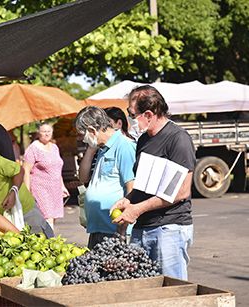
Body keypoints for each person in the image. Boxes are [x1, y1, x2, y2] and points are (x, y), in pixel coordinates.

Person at [111, 85, 196, 280]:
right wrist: (128, 200)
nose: (130, 119)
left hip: (168, 230)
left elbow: (181, 191)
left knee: (172, 293)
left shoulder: (177, 139)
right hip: (143, 227)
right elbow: (143, 184)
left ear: (148, 114)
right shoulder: (144, 140)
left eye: (132, 114)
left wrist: (137, 209)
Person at [75, 106, 136, 249]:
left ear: (92, 131)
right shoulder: (103, 147)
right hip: (99, 228)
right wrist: (91, 149)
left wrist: (123, 226)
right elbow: (83, 178)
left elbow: (131, 188)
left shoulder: (124, 146)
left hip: (115, 230)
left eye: (83, 135)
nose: (84, 140)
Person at [0, 152, 54, 238]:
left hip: (24, 208)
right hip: (1, 217)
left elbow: (19, 170)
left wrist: (13, 191)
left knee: (42, 237)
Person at [23, 123, 69, 231]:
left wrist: (62, 186)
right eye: (44, 131)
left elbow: (57, 169)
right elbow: (26, 170)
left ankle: (48, 238)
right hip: (41, 188)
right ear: (38, 133)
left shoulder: (54, 147)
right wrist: (27, 191)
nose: (47, 133)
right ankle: (51, 241)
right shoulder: (33, 148)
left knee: (53, 217)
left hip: (55, 188)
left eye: (49, 131)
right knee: (48, 217)